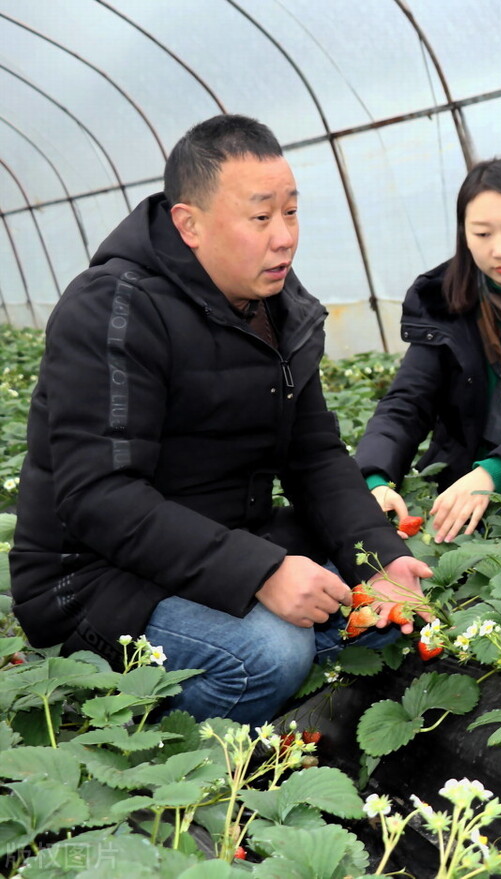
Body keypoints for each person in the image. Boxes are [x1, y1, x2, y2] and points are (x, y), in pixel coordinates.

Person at [10, 114, 432, 726]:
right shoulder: (113, 309)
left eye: (291, 212)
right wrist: (261, 573)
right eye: (261, 217)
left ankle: (263, 685)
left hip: (218, 540)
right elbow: (99, 496)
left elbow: (315, 456)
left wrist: (380, 557)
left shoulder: (278, 306)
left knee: (390, 605)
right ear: (190, 224)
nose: (284, 237)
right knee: (268, 654)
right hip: (93, 576)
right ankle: (163, 754)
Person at [357, 157, 501, 543]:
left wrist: (493, 473)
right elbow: (407, 402)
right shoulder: (440, 300)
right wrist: (374, 476)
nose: (500, 250)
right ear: (463, 235)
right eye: (482, 234)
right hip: (464, 480)